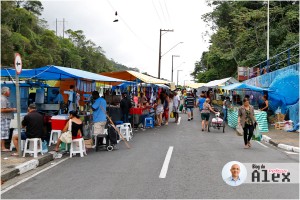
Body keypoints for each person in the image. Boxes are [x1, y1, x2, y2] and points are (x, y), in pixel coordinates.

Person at [1, 87, 17, 152]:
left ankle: (2, 147)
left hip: (6, 118)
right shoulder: (2, 99)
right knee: (3, 133)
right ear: (6, 92)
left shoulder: (4, 98)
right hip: (3, 118)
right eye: (9, 91)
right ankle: (2, 147)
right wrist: (13, 109)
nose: (10, 92)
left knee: (4, 133)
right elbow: (1, 110)